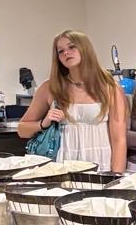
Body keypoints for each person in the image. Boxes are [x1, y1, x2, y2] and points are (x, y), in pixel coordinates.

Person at [18, 30, 127, 173]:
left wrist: (116, 176)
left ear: (85, 48)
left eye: (71, 47)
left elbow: (119, 140)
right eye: (60, 51)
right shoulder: (50, 87)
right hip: (63, 164)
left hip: (101, 163)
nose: (66, 53)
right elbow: (22, 130)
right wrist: (43, 123)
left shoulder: (110, 87)